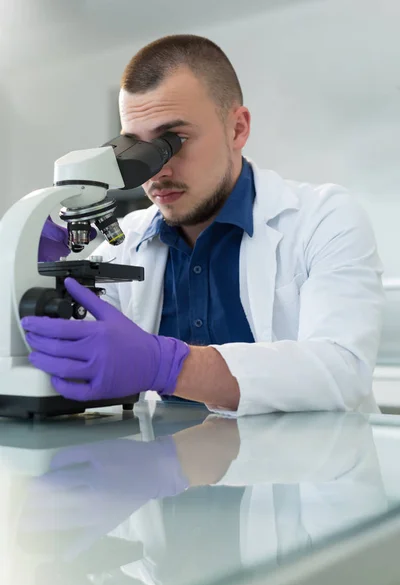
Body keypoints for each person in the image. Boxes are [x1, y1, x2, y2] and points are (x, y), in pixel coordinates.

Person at [25, 34, 385, 416]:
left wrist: (169, 365)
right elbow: (65, 351)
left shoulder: (324, 218)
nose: (156, 169)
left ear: (237, 129)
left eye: (174, 141)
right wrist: (24, 279)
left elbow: (343, 372)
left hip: (309, 469)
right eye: (136, 147)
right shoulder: (124, 242)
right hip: (169, 469)